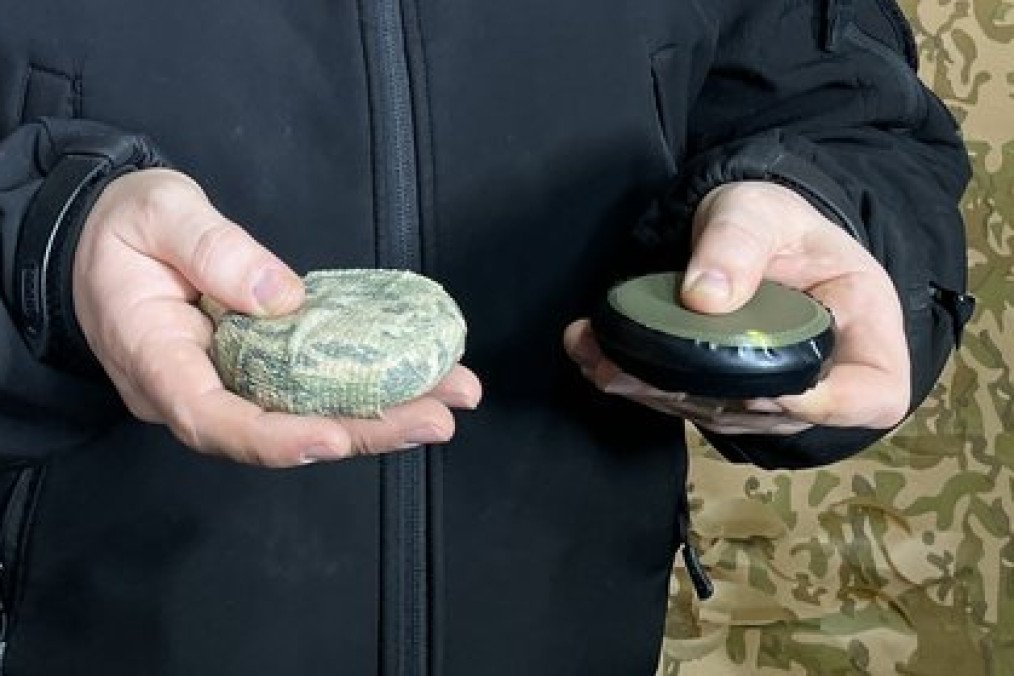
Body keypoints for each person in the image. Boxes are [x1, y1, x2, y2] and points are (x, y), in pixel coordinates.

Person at [0, 1, 972, 674]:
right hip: (89, 629)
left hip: (559, 621)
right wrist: (42, 255)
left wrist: (819, 215)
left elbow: (835, 104)